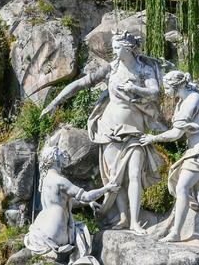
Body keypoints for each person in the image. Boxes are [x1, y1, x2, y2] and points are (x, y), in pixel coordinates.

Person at [41, 31, 167, 230]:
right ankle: (124, 217)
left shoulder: (144, 70)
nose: (114, 50)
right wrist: (55, 101)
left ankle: (135, 221)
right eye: (114, 47)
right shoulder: (111, 69)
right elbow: (80, 84)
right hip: (108, 129)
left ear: (129, 48)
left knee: (134, 174)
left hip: (134, 130)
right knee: (115, 176)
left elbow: (154, 92)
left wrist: (135, 89)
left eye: (118, 46)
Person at [141, 70, 199, 246]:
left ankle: (176, 233)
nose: (165, 90)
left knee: (181, 187)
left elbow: (176, 134)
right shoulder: (188, 99)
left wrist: (152, 138)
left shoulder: (191, 101)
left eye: (167, 87)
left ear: (176, 86)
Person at [12, 143, 117, 265]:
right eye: (61, 154)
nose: (64, 156)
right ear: (55, 158)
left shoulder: (44, 183)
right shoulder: (60, 180)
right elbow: (85, 196)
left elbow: (65, 201)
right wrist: (106, 188)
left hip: (39, 230)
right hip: (56, 232)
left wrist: (90, 204)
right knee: (82, 232)